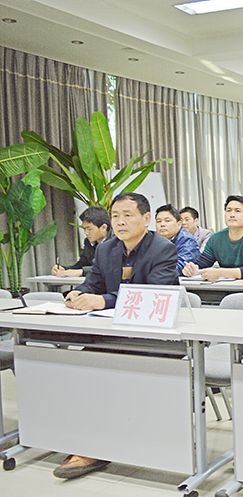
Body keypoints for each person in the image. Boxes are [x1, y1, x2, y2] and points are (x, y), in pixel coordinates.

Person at [56, 192, 178, 480]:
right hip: (113, 334)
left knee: (105, 369)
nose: (120, 222)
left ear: (146, 219)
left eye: (127, 215)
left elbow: (152, 296)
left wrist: (104, 300)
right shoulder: (106, 249)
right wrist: (79, 293)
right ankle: (89, 440)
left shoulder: (162, 249)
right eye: (115, 216)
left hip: (152, 338)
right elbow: (92, 283)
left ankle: (94, 446)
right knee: (79, 366)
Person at [182, 195, 243, 281]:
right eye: (228, 210)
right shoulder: (216, 238)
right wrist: (192, 269)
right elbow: (202, 263)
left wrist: (220, 272)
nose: (232, 215)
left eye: (237, 211)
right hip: (225, 287)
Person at [51, 206, 110, 277]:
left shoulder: (116, 242)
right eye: (84, 229)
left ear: (103, 227)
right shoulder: (88, 242)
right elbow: (81, 265)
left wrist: (81, 272)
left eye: (89, 229)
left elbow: (109, 268)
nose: (86, 233)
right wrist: (64, 269)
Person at [155, 203, 200, 274]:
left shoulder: (187, 240)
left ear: (179, 224)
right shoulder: (154, 239)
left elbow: (180, 267)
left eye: (167, 221)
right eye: (158, 221)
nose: (162, 224)